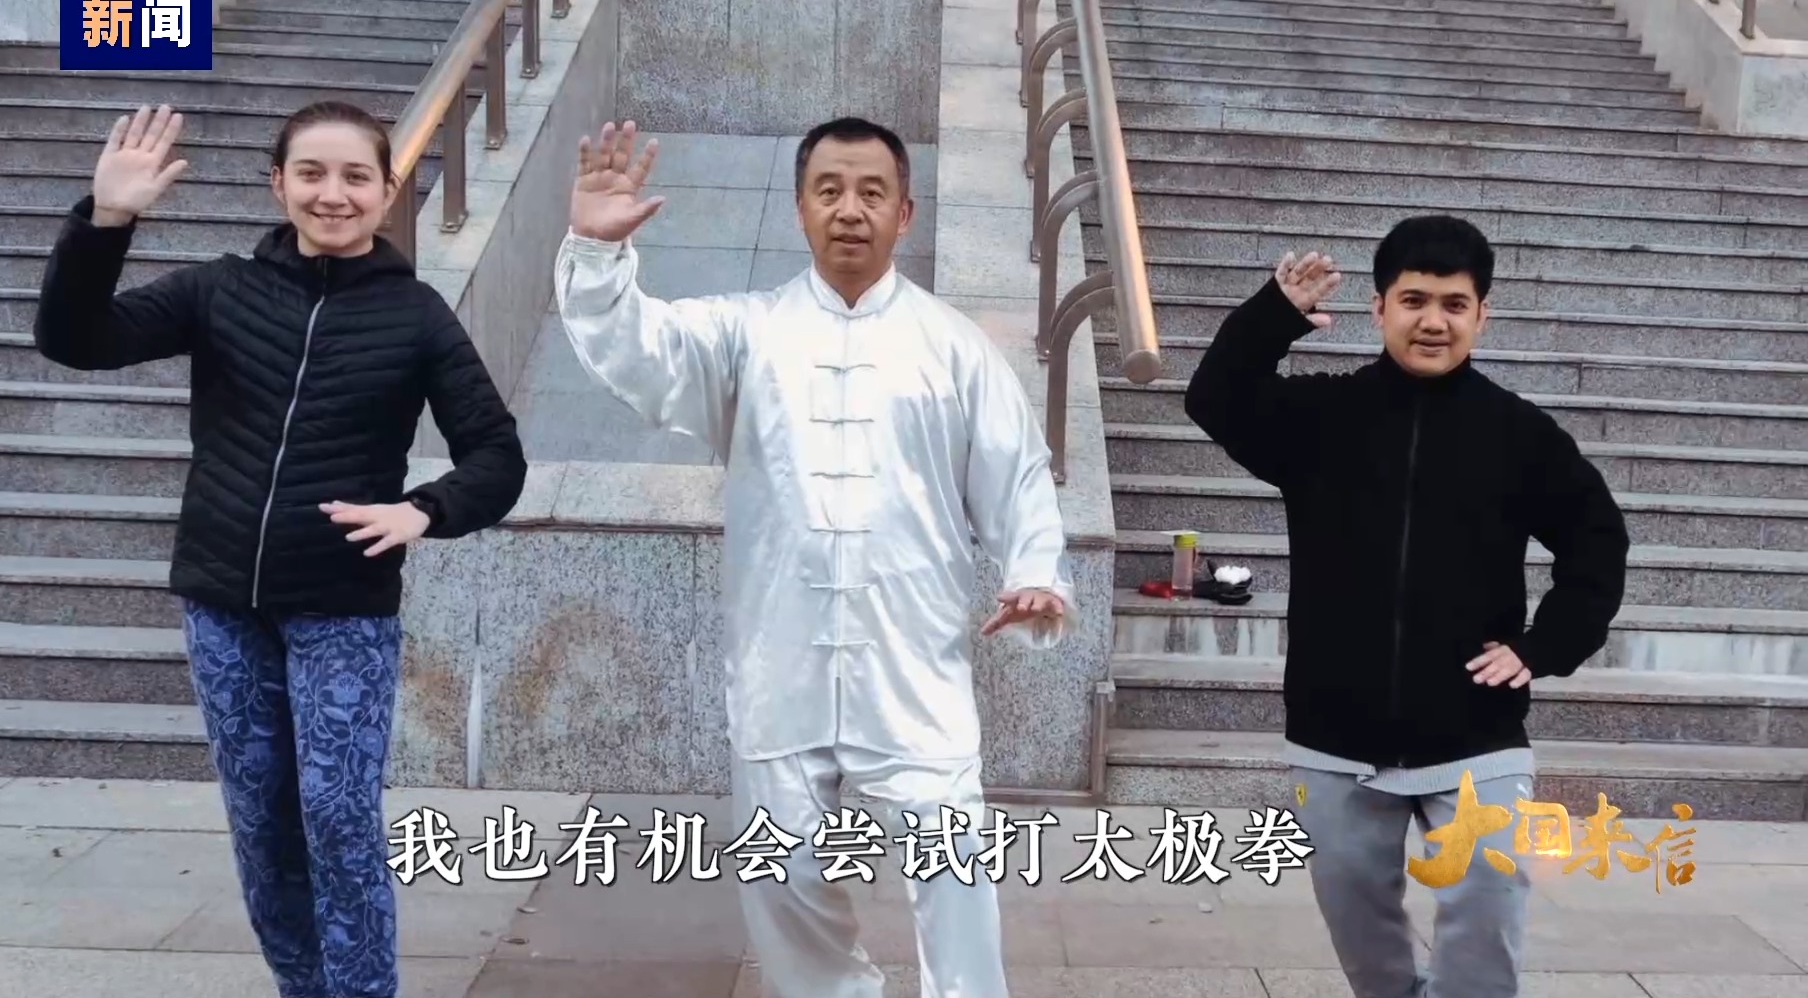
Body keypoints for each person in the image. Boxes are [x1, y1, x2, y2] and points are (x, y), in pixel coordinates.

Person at [553, 116, 1074, 997]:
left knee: (952, 863)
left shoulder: (955, 348)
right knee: (781, 869)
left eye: (872, 192)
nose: (849, 210)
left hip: (912, 662)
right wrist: (598, 256)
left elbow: (1017, 472)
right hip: (780, 660)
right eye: (828, 190)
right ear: (799, 209)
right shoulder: (744, 333)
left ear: (905, 213)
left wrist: (1033, 575)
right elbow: (645, 353)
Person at [33, 101, 528, 998]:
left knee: (337, 818)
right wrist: (105, 221)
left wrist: (424, 510)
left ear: (386, 193)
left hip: (343, 611)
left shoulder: (416, 316)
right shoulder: (219, 291)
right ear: (278, 184)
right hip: (224, 607)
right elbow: (75, 340)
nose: (333, 194)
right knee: (263, 829)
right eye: (311, 173)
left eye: (355, 177)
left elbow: (496, 455)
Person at [1184, 214, 1630, 998]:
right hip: (1334, 729)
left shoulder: (1521, 435)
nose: (1433, 321)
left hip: (1475, 728)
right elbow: (1214, 399)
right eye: (1414, 300)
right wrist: (1274, 315)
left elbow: (1597, 542)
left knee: (1488, 896)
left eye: (1454, 305)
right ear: (1379, 308)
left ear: (1482, 315)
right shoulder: (1321, 418)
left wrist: (1544, 646)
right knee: (1356, 913)